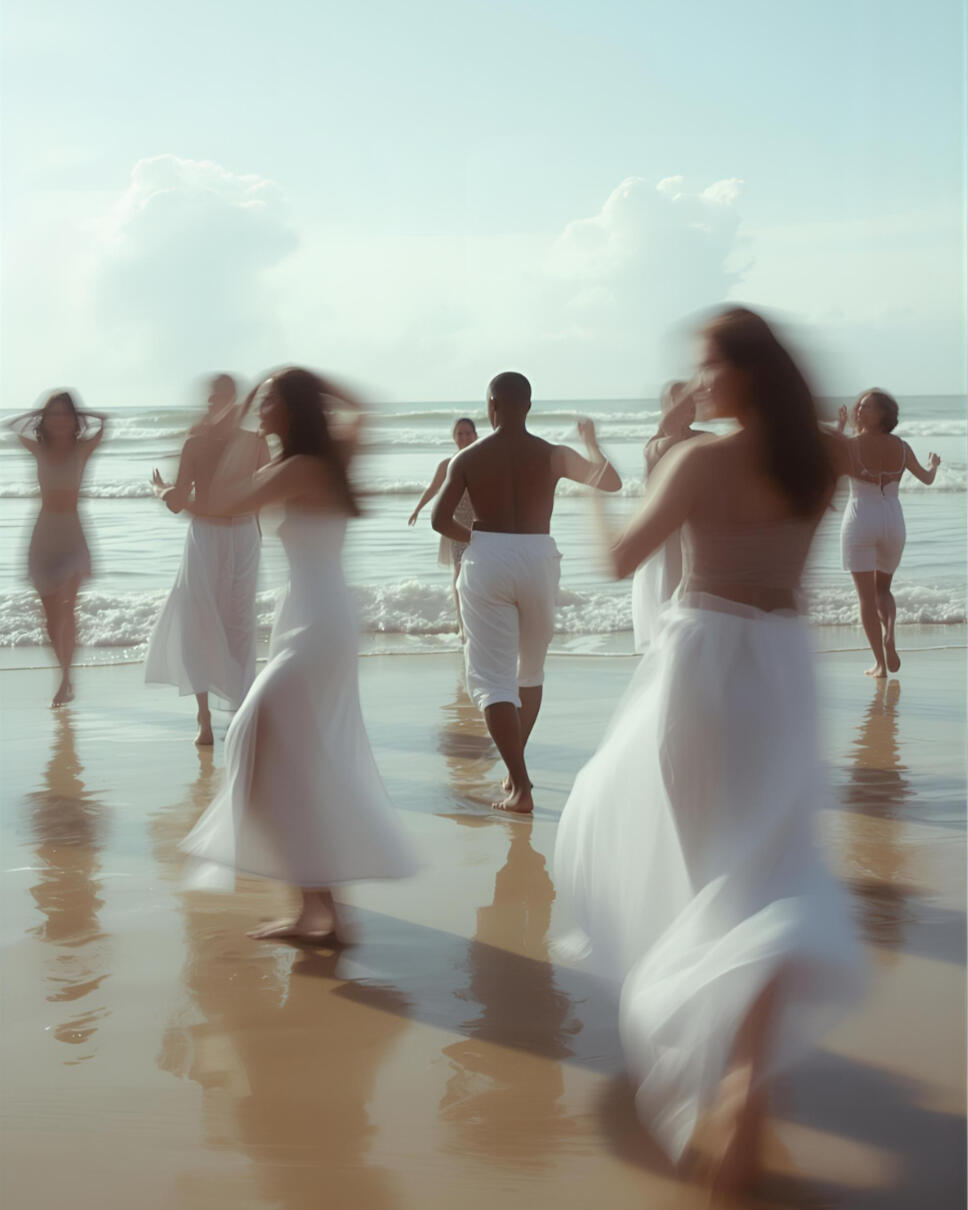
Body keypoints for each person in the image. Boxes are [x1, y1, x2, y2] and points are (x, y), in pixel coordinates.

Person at [553, 309, 864, 1197]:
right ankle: (744, 1074)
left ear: (744, 371)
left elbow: (621, 561)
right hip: (786, 667)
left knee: (710, 872)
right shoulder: (823, 456)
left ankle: (731, 1071)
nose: (697, 382)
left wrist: (592, 482)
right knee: (771, 869)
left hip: (704, 667)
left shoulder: (697, 461)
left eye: (706, 366)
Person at [179, 367, 418, 942]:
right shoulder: (326, 459)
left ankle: (319, 907)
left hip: (317, 625)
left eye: (268, 402)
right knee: (291, 755)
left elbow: (218, 501)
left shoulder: (298, 469)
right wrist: (295, 386)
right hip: (316, 617)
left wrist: (242, 413)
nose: (260, 409)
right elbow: (365, 408)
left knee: (252, 736)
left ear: (289, 409)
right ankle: (320, 910)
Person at [431, 371, 622, 814]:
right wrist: (592, 443)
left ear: (491, 407)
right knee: (529, 672)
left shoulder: (469, 457)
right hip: (539, 556)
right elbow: (611, 483)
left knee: (492, 678)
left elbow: (440, 520)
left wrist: (480, 541)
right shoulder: (553, 454)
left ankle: (519, 784)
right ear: (529, 407)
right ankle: (516, 772)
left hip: (488, 558)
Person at [145, 374, 270, 745]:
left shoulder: (254, 441)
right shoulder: (196, 443)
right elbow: (181, 501)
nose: (220, 405)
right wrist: (164, 491)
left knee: (240, 623)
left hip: (244, 534)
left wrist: (161, 489)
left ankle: (241, 711)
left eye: (225, 398)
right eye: (215, 399)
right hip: (208, 536)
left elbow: (262, 493)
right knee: (200, 620)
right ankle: (204, 716)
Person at [5, 391, 106, 707]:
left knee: (67, 608)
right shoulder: (39, 449)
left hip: (73, 534)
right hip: (43, 536)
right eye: (54, 414)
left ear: (74, 419)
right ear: (45, 420)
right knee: (50, 617)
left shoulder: (83, 448)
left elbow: (105, 425)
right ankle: (64, 675)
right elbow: (11, 426)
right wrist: (38, 413)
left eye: (65, 414)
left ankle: (65, 680)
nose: (60, 419)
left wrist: (83, 415)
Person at [836, 388, 940, 678]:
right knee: (883, 589)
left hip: (860, 517)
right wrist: (933, 465)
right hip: (893, 520)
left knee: (866, 598)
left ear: (883, 413)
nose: (859, 410)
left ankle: (881, 664)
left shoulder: (851, 445)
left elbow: (825, 465)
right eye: (859, 406)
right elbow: (927, 479)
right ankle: (890, 633)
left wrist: (839, 429)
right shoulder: (902, 447)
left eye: (867, 407)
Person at [630, 380, 700, 651]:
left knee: (693, 614)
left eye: (692, 404)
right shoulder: (656, 446)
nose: (689, 409)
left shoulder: (704, 439)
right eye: (681, 404)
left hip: (696, 536)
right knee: (667, 610)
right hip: (666, 539)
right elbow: (671, 437)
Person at [408, 417, 479, 637]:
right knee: (459, 572)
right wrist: (417, 509)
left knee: (480, 574)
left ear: (476, 435)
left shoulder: (484, 461)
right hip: (455, 526)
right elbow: (433, 488)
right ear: (454, 437)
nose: (464, 437)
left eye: (468, 433)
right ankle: (462, 625)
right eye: (460, 433)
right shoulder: (447, 464)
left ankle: (479, 622)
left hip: (480, 526)